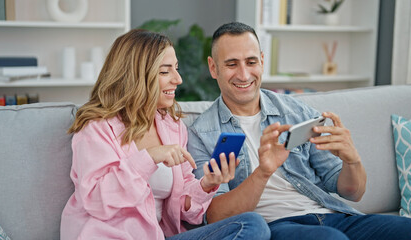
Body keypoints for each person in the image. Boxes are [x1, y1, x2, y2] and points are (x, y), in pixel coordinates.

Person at [188, 22, 411, 240]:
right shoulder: (202, 133)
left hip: (333, 215)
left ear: (261, 60)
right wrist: (263, 172)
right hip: (276, 225)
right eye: (231, 64)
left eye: (251, 62)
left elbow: (353, 193)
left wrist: (352, 161)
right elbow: (216, 216)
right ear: (213, 67)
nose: (243, 74)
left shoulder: (295, 112)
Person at [60, 29, 270, 240]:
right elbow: (95, 201)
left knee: (251, 225)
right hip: (108, 236)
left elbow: (182, 209)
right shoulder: (97, 128)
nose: (178, 79)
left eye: (176, 69)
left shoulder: (173, 127)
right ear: (136, 75)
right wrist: (149, 157)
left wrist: (206, 184)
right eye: (165, 71)